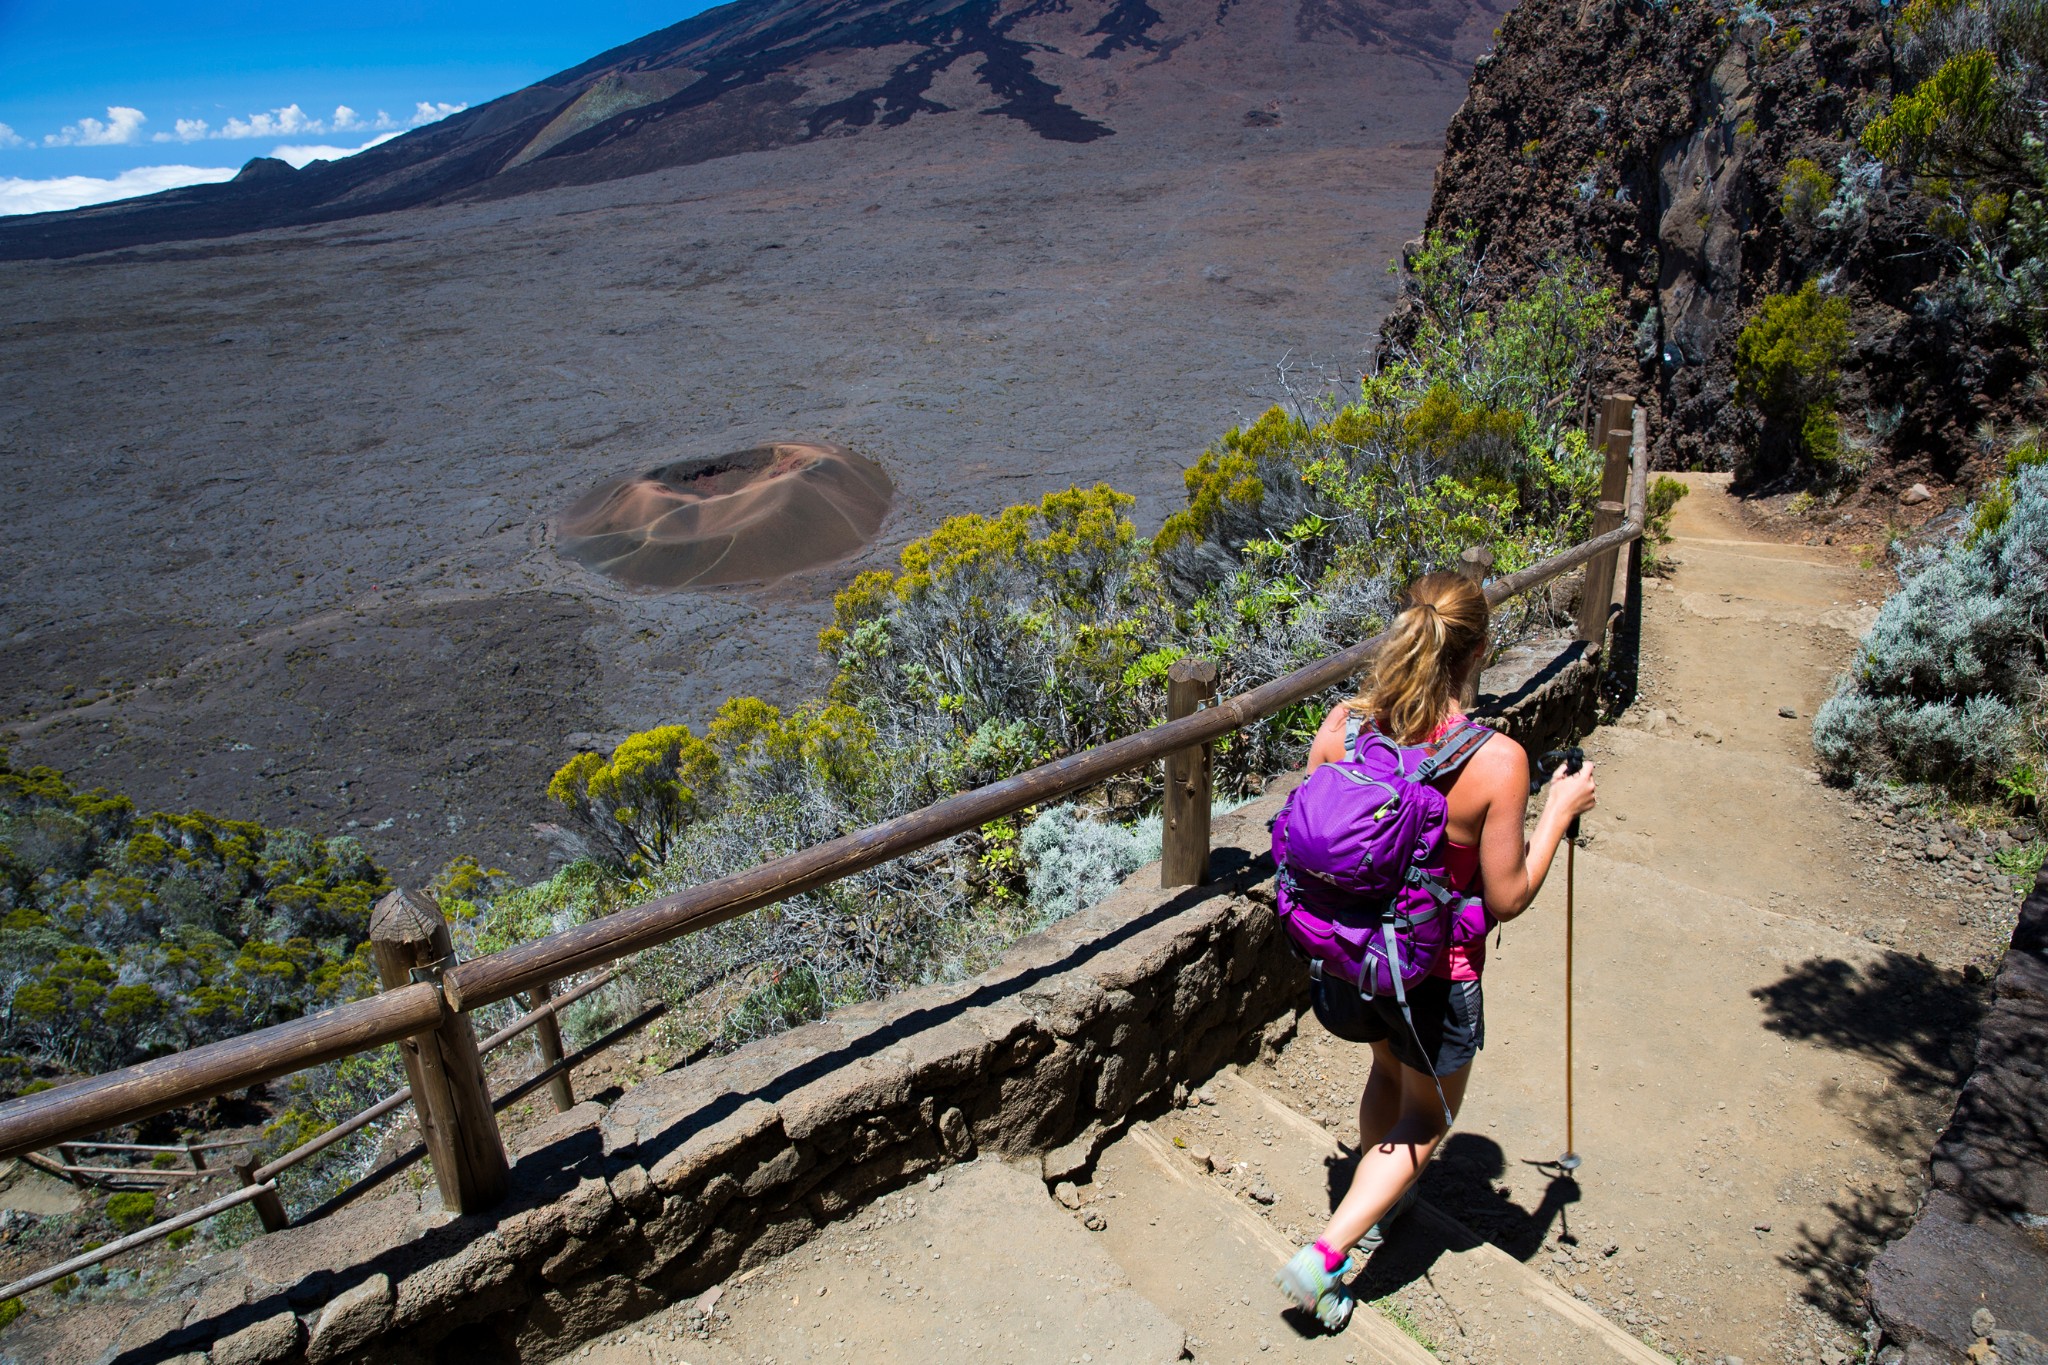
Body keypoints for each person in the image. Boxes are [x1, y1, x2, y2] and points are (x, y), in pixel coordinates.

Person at [1274, 571, 1598, 1330]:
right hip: (1432, 974)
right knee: (1426, 1119)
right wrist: (1559, 813)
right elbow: (1507, 895)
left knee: (1386, 1069)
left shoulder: (1345, 725)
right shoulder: (1495, 760)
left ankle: (1378, 1195)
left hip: (1346, 963)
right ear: (1481, 649)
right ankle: (1323, 1257)